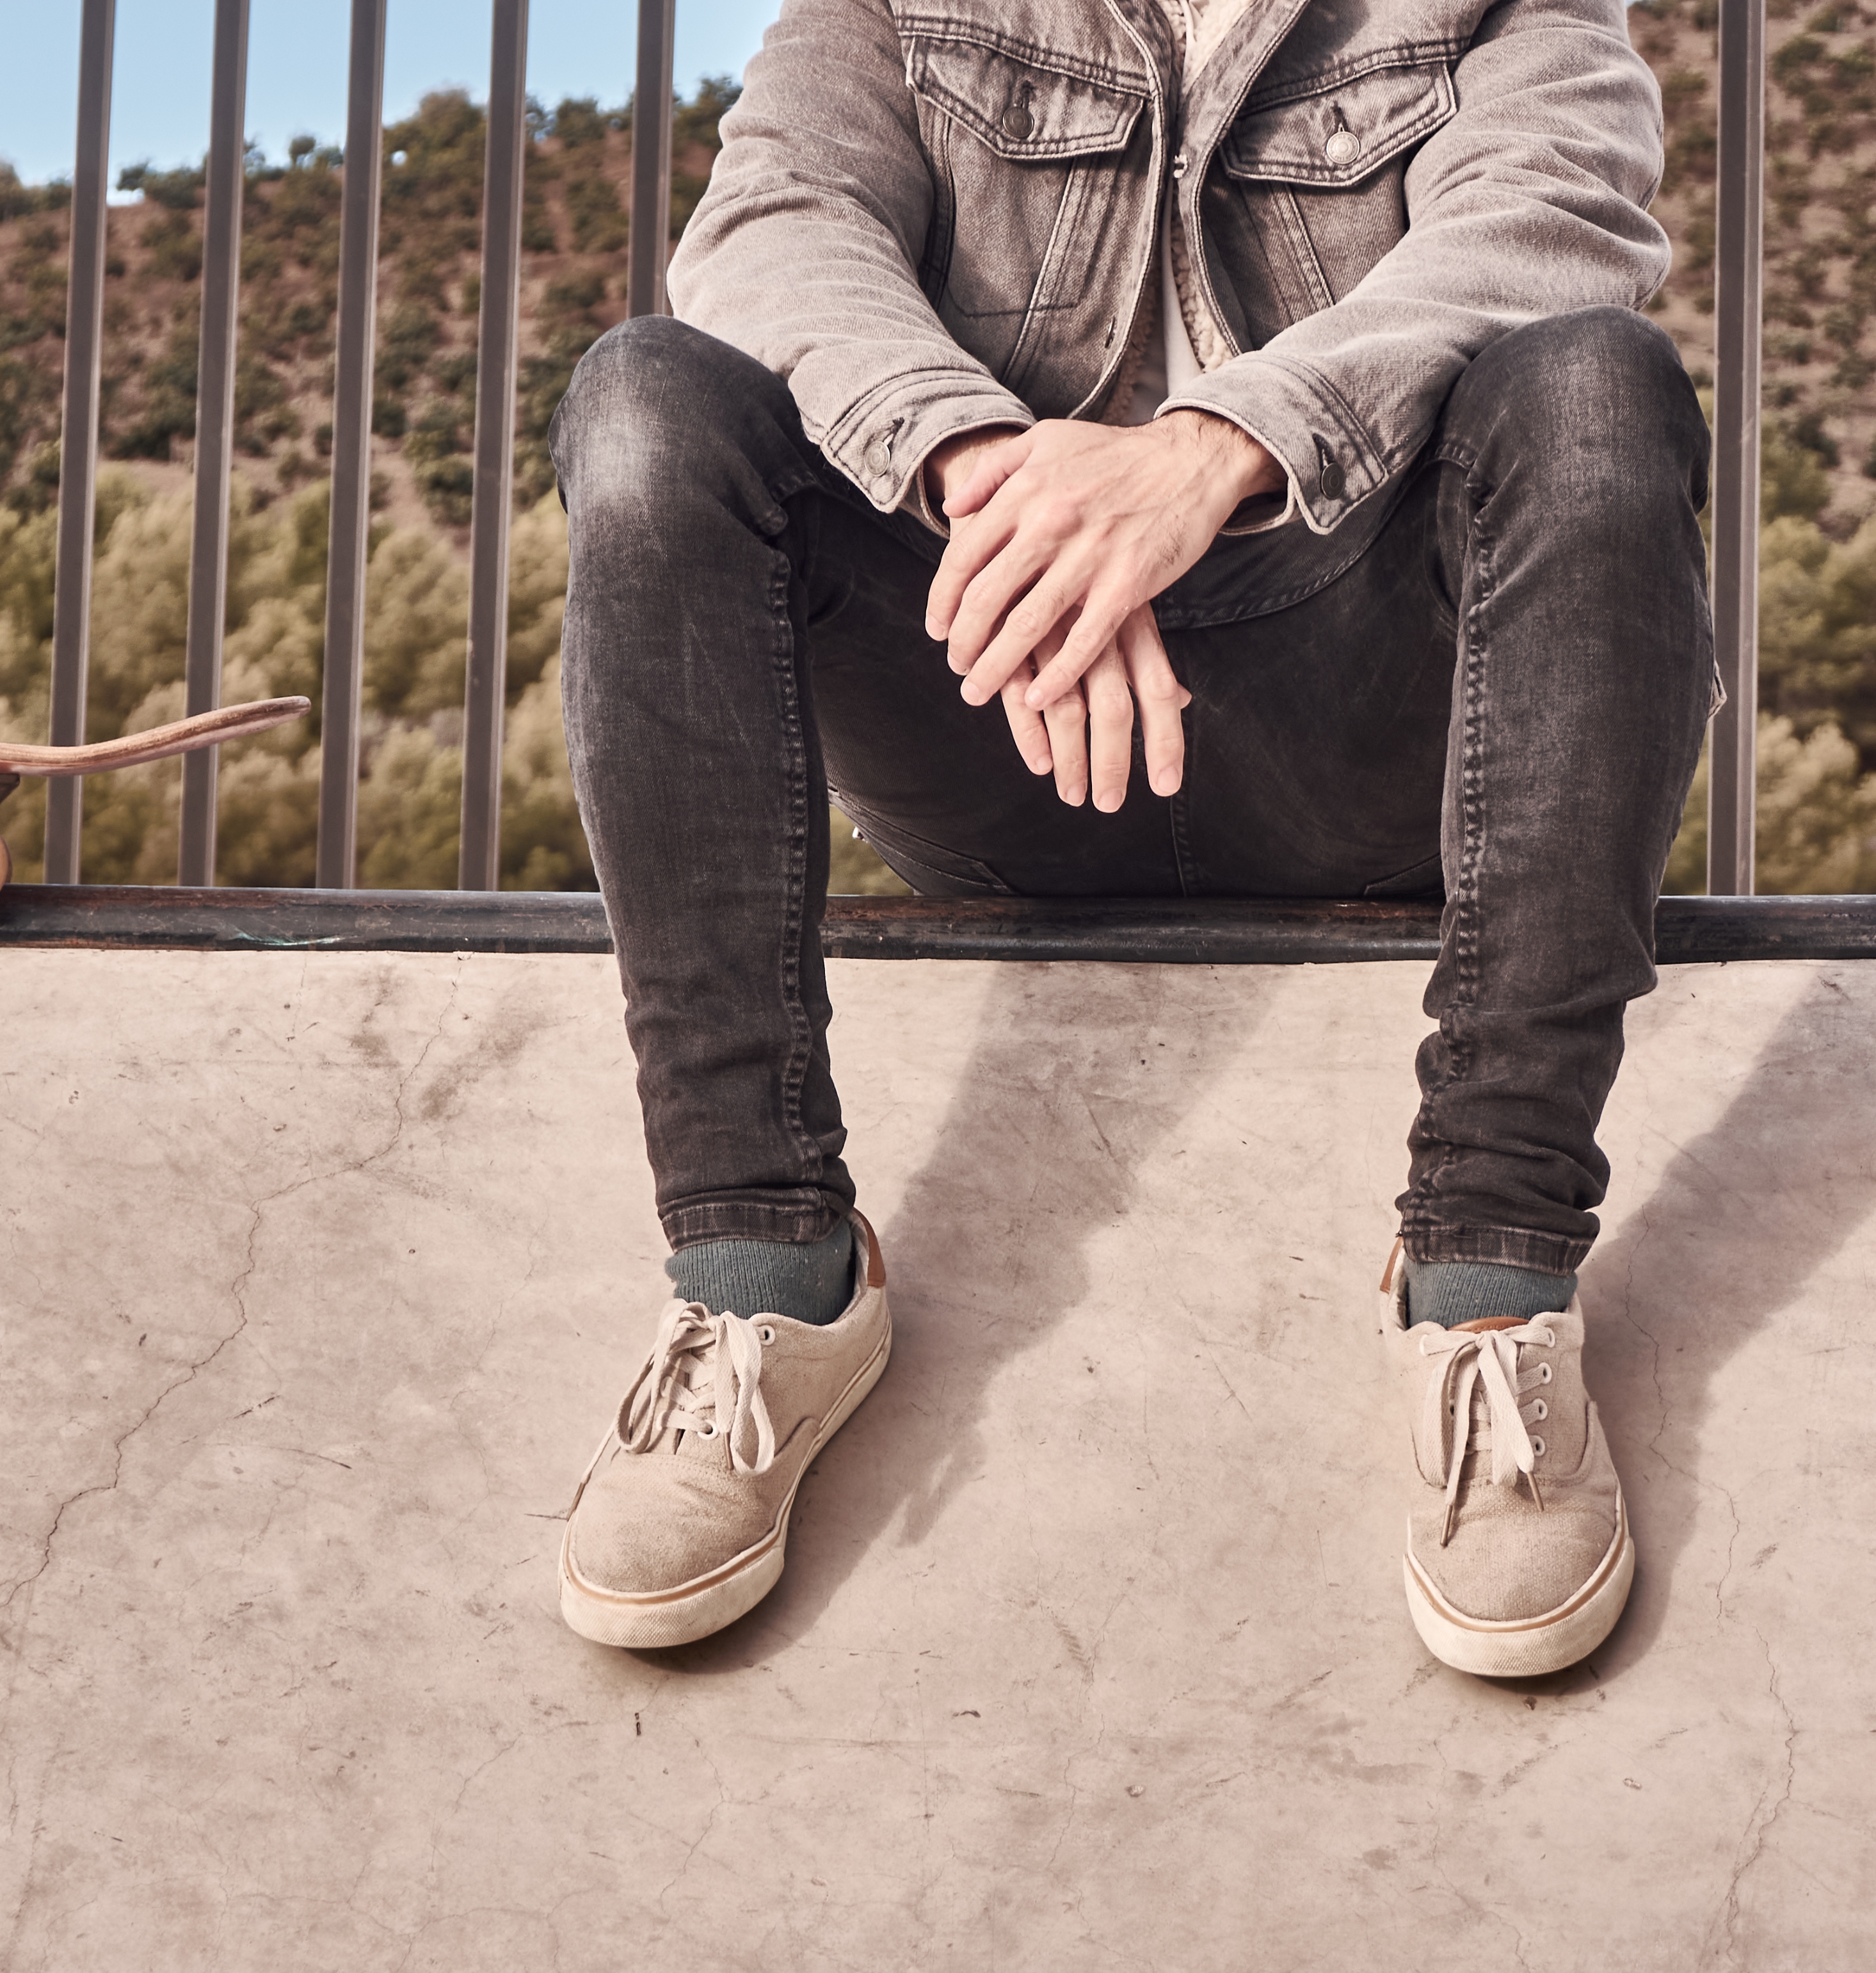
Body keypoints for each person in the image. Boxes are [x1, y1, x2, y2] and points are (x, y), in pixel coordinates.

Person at [548, 0, 1710, 1677]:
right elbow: (775, 228)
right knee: (648, 401)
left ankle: (1488, 1282)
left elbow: (1551, 219)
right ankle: (761, 1265)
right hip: (997, 693)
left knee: (1597, 384)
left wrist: (1208, 456)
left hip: (1358, 719)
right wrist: (1001, 485)